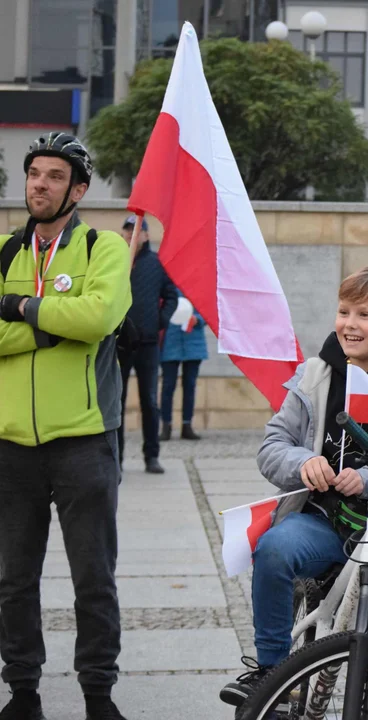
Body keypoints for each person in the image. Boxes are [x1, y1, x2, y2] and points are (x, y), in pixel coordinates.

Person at [220, 267, 368, 720]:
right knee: (273, 551)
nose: (349, 323)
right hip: (322, 520)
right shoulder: (316, 373)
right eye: (344, 311)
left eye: (365, 314)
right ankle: (271, 674)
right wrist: (301, 463)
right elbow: (272, 447)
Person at [0, 132, 132, 720]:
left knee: (93, 580)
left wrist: (20, 309)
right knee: (12, 580)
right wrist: (58, 324)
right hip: (10, 445)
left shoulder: (103, 249)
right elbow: (78, 321)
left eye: (55, 176)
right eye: (34, 174)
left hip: (84, 440)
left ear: (77, 189)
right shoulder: (5, 251)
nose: (40, 184)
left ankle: (98, 695)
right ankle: (22, 691)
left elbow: (100, 315)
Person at [117, 215, 177, 474]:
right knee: (114, 402)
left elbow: (171, 296)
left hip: (148, 344)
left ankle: (151, 455)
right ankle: (114, 459)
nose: (131, 235)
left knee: (149, 401)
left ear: (146, 235)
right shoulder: (115, 262)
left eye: (137, 230)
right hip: (119, 344)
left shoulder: (157, 264)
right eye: (128, 230)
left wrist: (158, 322)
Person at [159, 290, 207, 441]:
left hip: (193, 342)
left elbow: (208, 312)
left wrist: (197, 320)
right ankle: (166, 425)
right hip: (170, 342)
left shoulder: (197, 285)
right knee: (168, 386)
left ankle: (187, 425)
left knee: (190, 385)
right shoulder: (166, 284)